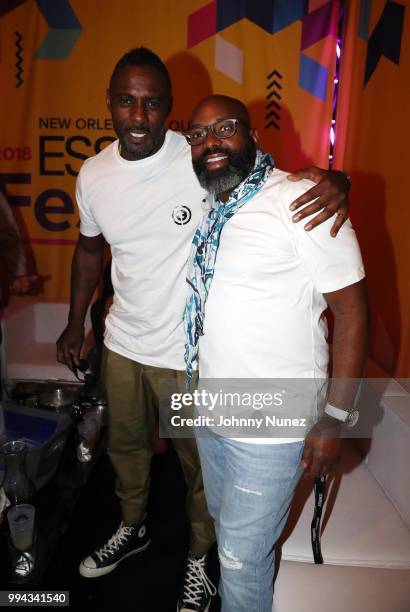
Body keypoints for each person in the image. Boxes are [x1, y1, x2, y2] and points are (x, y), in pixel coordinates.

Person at [56, 47, 352, 612]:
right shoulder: (93, 174)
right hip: (123, 342)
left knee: (200, 469)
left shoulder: (198, 156)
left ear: (169, 111)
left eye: (152, 104)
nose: (138, 116)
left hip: (188, 356)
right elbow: (89, 251)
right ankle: (133, 524)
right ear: (110, 104)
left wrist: (336, 180)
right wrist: (77, 322)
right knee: (127, 451)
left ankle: (200, 559)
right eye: (126, 101)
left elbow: (272, 182)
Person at [182, 94, 368, 612]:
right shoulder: (212, 207)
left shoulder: (301, 199)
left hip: (274, 425)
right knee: (231, 534)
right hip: (214, 412)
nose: (210, 143)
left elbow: (352, 313)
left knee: (240, 559)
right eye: (198, 135)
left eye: (224, 128)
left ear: (254, 135)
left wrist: (334, 419)